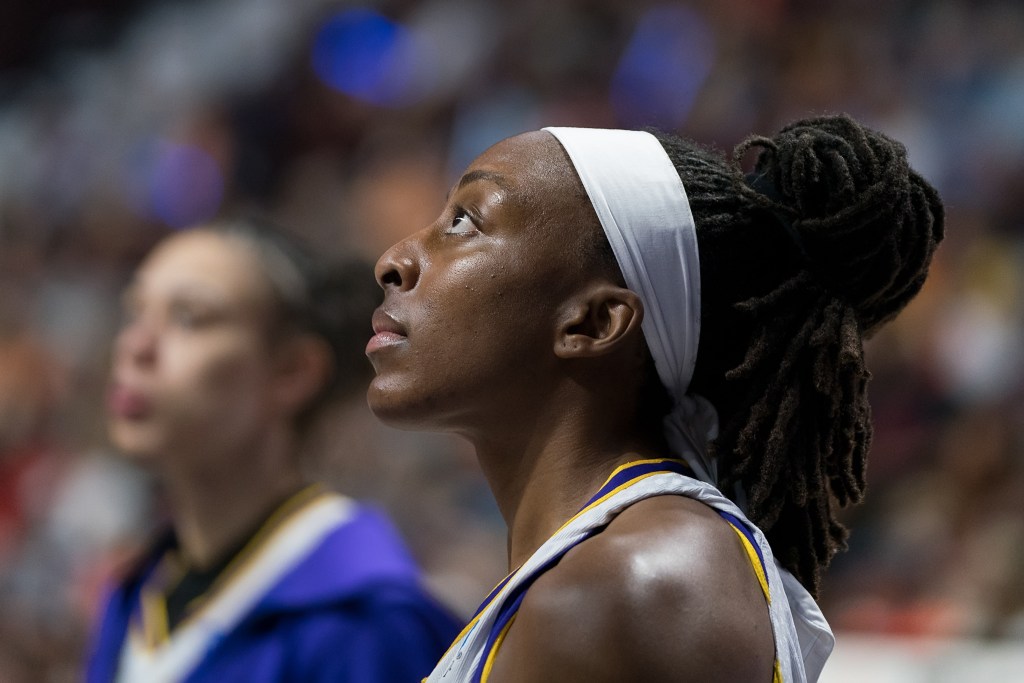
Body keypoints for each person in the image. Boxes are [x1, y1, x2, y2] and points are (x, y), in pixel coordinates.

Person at [366, 114, 944, 682]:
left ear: (593, 323)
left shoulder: (636, 582)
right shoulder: (613, 566)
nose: (394, 260)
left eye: (466, 222)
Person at [86, 217, 460, 683]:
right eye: (134, 312)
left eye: (189, 317)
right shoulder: (135, 595)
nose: (135, 345)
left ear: (293, 371)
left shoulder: (365, 620)